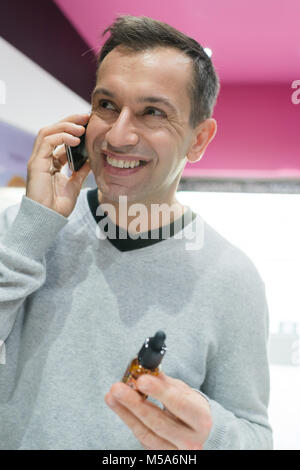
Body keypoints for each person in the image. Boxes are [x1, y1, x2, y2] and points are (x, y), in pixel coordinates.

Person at [0, 15, 273, 450]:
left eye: (152, 112)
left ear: (198, 139)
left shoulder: (232, 279)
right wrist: (35, 226)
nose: (119, 134)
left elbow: (256, 437)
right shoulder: (24, 232)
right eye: (107, 105)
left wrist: (209, 436)